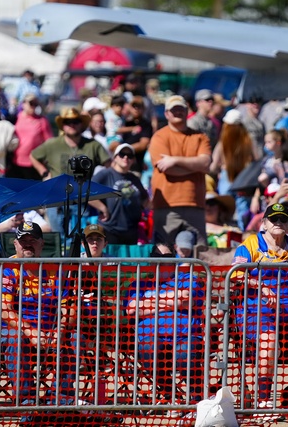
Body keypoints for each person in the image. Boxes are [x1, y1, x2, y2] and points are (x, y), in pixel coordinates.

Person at [233, 202, 288, 410]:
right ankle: (264, 400)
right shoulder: (250, 245)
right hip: (258, 311)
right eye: (274, 219)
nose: (278, 223)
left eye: (283, 219)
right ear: (264, 222)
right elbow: (236, 275)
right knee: (269, 342)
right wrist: (260, 286)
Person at [0, 221, 70, 405]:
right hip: (13, 331)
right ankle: (26, 402)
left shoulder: (56, 271)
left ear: (42, 243)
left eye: (32, 240)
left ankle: (60, 400)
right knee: (15, 338)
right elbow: (3, 310)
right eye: (23, 241)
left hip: (50, 330)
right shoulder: (6, 270)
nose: (27, 244)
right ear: (15, 244)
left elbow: (68, 307)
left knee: (74, 339)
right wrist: (30, 331)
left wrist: (61, 330)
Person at [125, 243, 207, 404]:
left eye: (167, 258)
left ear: (174, 259)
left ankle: (196, 400)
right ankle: (171, 396)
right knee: (148, 347)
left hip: (185, 336)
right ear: (151, 260)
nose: (162, 262)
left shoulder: (189, 278)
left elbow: (187, 298)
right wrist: (174, 301)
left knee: (185, 352)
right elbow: (133, 310)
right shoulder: (138, 285)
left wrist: (149, 301)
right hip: (151, 336)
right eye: (158, 257)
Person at [29, 107, 109, 235]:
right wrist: (44, 173)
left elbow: (109, 166)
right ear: (62, 126)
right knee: (59, 238)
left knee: (80, 237)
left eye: (75, 121)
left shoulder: (93, 145)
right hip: (56, 199)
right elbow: (33, 156)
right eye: (67, 122)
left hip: (82, 199)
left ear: (81, 124)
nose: (71, 125)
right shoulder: (52, 144)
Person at [148, 94, 213, 246]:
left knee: (200, 254)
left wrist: (175, 160)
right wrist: (196, 167)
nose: (177, 112)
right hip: (166, 205)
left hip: (195, 202)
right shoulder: (159, 137)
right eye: (173, 110)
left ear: (187, 110)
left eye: (181, 109)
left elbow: (206, 163)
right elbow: (168, 170)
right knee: (163, 253)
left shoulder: (200, 137)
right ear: (166, 114)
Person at [91, 143, 148, 245]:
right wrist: (103, 208)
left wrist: (140, 209)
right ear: (115, 158)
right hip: (110, 229)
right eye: (122, 154)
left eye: (130, 156)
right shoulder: (106, 174)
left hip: (131, 230)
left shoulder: (133, 178)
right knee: (111, 260)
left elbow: (145, 197)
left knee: (128, 261)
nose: (126, 157)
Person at [8, 93, 53, 180]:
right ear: (23, 104)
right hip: (15, 162)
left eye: (36, 104)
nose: (34, 106)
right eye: (31, 103)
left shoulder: (42, 121)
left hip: (34, 164)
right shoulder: (16, 118)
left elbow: (49, 142)